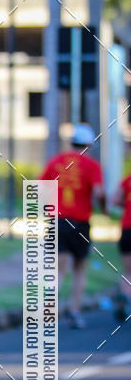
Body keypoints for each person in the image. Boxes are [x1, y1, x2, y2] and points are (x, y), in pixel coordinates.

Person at [40, 123, 105, 329]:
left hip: (57, 221)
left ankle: (48, 312)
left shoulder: (56, 161)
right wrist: (103, 208)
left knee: (58, 270)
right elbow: (99, 193)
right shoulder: (92, 165)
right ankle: (74, 313)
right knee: (79, 270)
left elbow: (40, 189)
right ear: (88, 145)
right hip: (80, 223)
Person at [110, 171, 131, 322]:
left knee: (128, 271)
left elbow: (115, 200)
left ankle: (125, 299)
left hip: (127, 229)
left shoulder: (127, 180)